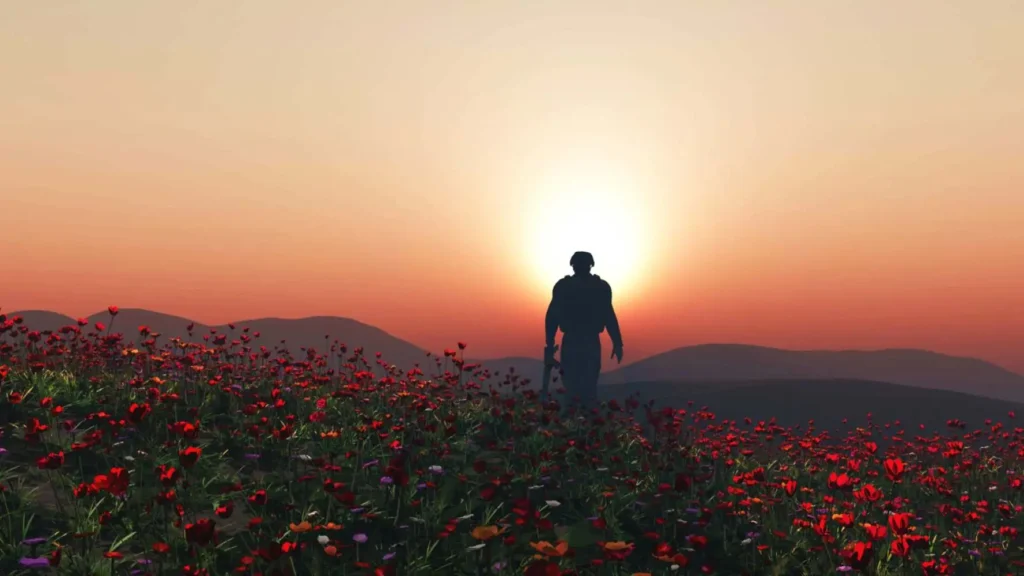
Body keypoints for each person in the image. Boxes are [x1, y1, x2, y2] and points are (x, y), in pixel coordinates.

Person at [544, 251, 623, 410]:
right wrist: (617, 342)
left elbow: (608, 315)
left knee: (583, 385)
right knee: (579, 385)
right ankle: (580, 418)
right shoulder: (597, 287)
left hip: (582, 340)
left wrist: (617, 342)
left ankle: (580, 419)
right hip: (581, 340)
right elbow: (552, 315)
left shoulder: (568, 286)